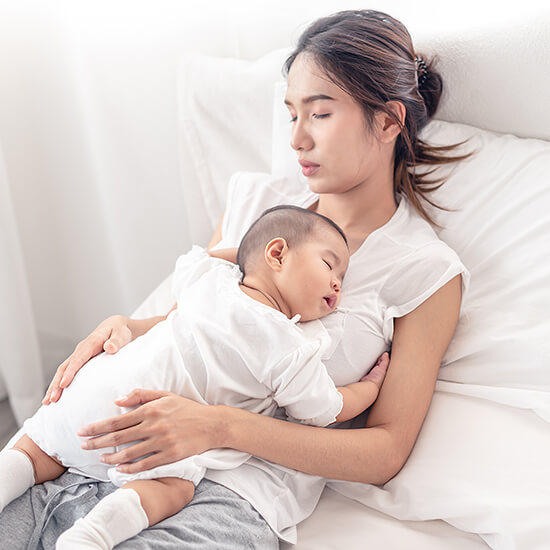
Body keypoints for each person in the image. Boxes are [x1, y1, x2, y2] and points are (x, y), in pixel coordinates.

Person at [1, 9, 469, 549]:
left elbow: (385, 453)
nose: (296, 140)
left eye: (318, 114)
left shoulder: (423, 271)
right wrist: (128, 327)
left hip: (229, 491)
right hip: (102, 433)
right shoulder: (258, 205)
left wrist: (220, 426)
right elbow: (204, 323)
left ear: (388, 121)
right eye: (291, 114)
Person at [0, 205, 390, 549]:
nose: (339, 282)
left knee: (38, 448)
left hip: (96, 389)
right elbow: (325, 409)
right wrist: (367, 390)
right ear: (277, 253)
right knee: (173, 488)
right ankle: (93, 536)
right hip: (147, 438)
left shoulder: (208, 279)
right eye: (329, 264)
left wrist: (247, 256)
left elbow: (197, 257)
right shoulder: (290, 346)